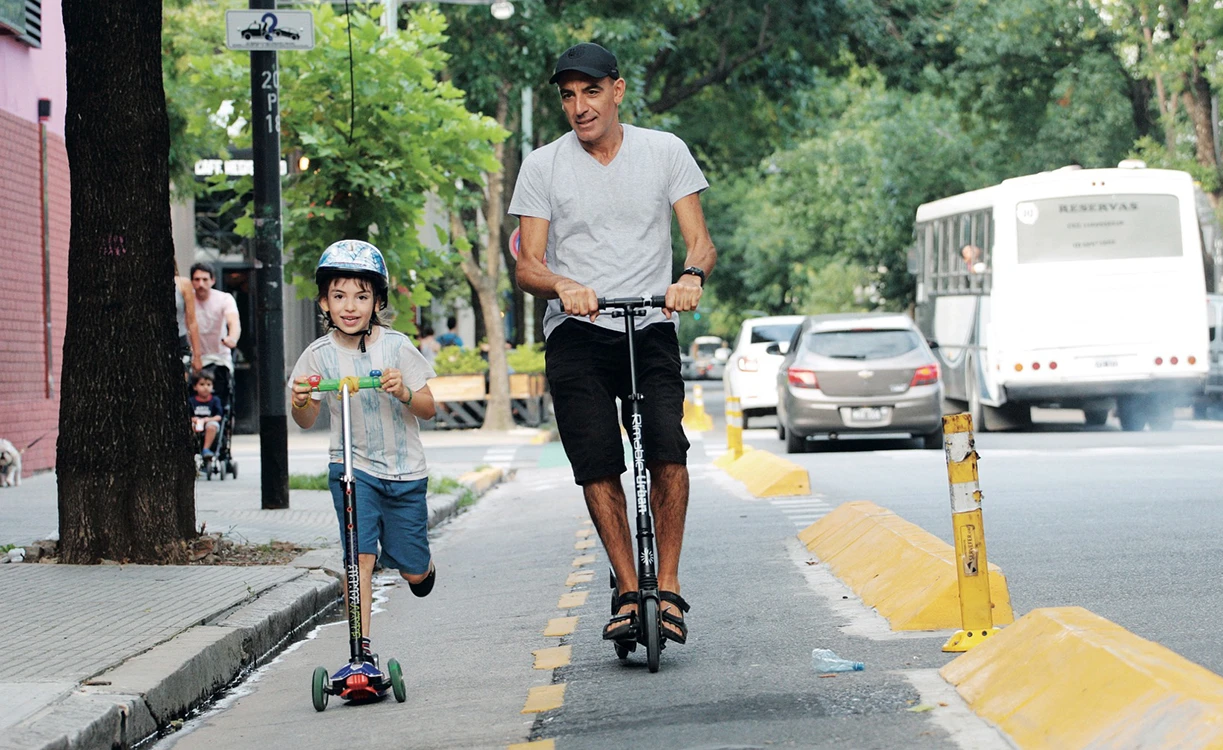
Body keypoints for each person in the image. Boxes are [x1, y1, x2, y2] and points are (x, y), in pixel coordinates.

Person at [509, 42, 716, 647]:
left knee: (667, 447)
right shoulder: (542, 166)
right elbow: (528, 266)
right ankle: (628, 589)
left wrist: (689, 278)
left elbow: (700, 243)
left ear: (617, 91)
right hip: (577, 330)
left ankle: (668, 588)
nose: (580, 106)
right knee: (596, 458)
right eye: (568, 96)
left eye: (591, 92)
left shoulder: (665, 151)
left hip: (650, 323)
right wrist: (562, 285)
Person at [288, 239, 438, 666]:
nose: (350, 306)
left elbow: (429, 408)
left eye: (361, 296)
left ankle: (419, 565)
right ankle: (361, 653)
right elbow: (305, 418)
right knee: (359, 558)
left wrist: (404, 391)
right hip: (351, 469)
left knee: (413, 572)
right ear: (324, 302)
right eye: (339, 296)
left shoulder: (397, 347)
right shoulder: (317, 356)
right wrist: (301, 400)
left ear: (377, 302)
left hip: (405, 472)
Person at [190, 262, 241, 406]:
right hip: (193, 359)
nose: (201, 284)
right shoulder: (188, 299)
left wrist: (232, 338)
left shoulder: (224, 299)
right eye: (197, 279)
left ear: (213, 280)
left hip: (219, 358)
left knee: (221, 396)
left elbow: (233, 321)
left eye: (205, 279)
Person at [175, 264, 203, 378]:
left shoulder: (183, 283)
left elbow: (192, 321)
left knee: (182, 381)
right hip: (154, 341)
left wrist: (197, 355)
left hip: (179, 340)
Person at [188, 372, 223, 458]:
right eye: (202, 384)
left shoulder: (215, 400)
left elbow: (219, 416)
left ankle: (206, 449)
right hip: (196, 423)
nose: (205, 387)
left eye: (208, 384)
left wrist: (207, 420)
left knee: (212, 426)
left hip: (209, 422)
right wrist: (194, 419)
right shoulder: (191, 401)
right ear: (195, 387)